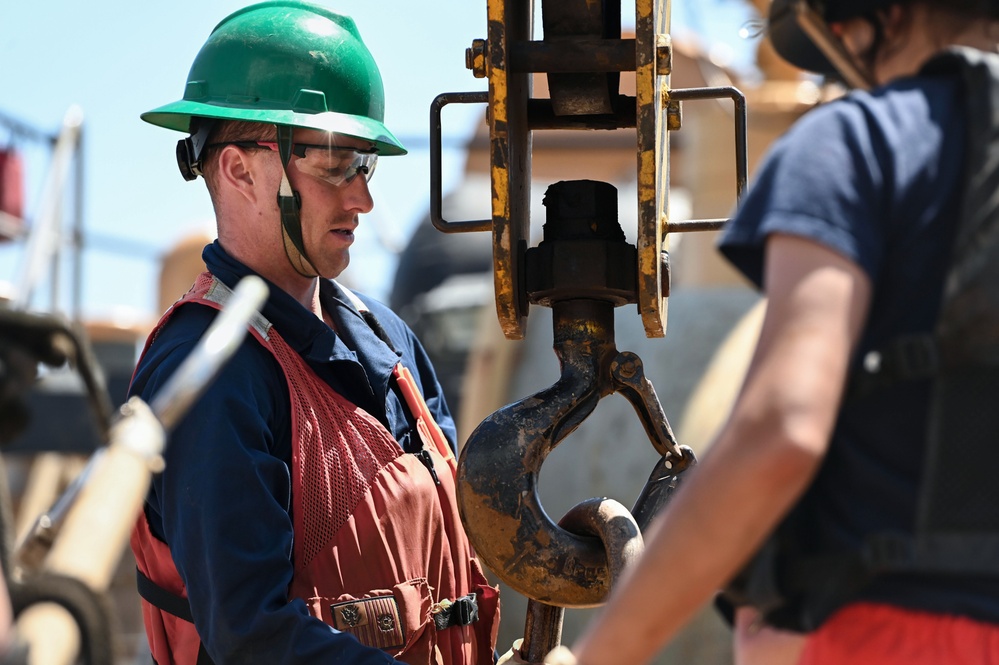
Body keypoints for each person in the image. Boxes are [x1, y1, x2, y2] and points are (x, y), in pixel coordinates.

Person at [544, 1, 999, 664]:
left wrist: (603, 654)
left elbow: (781, 430)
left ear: (882, 14)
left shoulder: (858, 142)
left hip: (900, 635)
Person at [127, 2, 500, 663]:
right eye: (334, 166)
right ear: (240, 169)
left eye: (366, 166)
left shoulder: (386, 339)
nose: (361, 199)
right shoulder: (209, 374)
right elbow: (253, 637)